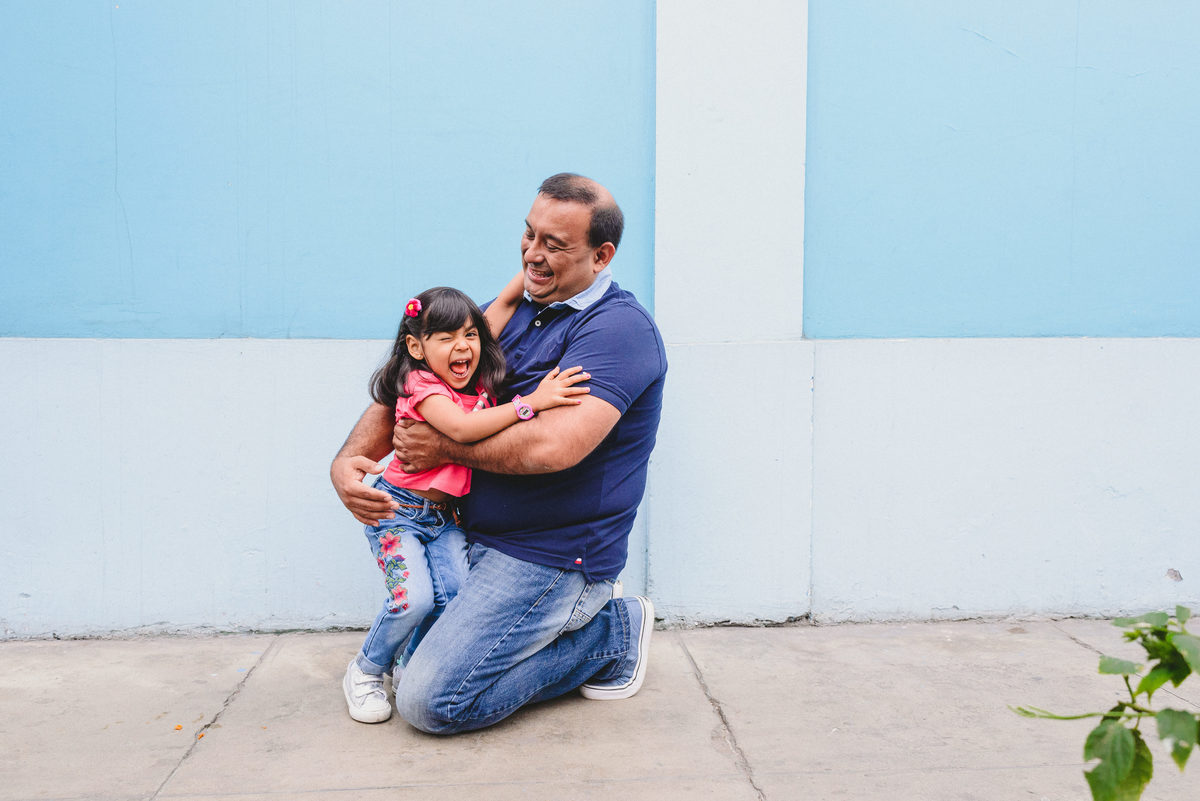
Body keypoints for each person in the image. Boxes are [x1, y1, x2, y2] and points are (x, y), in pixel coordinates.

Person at [330, 173, 667, 733]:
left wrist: (442, 444)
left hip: (552, 555)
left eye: (553, 245)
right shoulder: (515, 311)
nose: (533, 254)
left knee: (429, 702)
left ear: (601, 255)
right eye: (529, 235)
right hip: (466, 534)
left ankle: (611, 632)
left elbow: (555, 446)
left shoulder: (618, 332)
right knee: (414, 663)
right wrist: (347, 461)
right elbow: (416, 383)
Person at [342, 282, 591, 723]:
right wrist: (531, 403)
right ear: (416, 348)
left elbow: (499, 310)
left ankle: (411, 665)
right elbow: (461, 431)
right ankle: (366, 669)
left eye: (470, 336)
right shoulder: (424, 387)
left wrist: (528, 272)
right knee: (412, 601)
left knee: (455, 601)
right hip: (398, 513)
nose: (463, 347)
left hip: (444, 519)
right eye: (446, 339)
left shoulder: (467, 372)